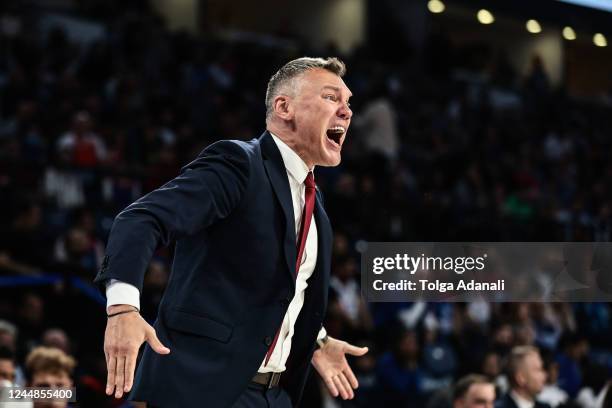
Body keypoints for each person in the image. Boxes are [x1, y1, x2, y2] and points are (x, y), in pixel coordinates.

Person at [94, 57, 368, 407]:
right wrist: (122, 309)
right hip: (201, 389)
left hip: (274, 395)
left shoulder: (316, 206)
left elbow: (279, 291)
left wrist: (318, 340)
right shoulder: (239, 164)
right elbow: (141, 219)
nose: (346, 112)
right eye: (332, 98)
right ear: (284, 107)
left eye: (348, 103)